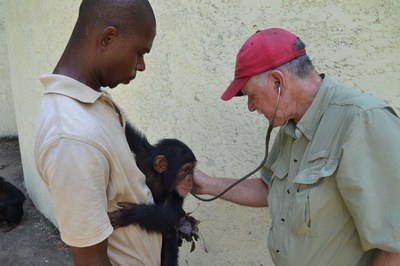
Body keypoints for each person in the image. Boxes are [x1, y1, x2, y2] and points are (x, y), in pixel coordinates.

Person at [192, 28, 400, 265]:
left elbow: (395, 247)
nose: (251, 106)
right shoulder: (291, 127)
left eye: (251, 95)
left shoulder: (363, 121)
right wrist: (208, 184)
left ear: (277, 82)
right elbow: (269, 188)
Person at [33, 0, 161, 265]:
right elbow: (91, 260)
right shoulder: (70, 135)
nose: (141, 66)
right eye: (140, 52)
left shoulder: (91, 103)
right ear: (108, 38)